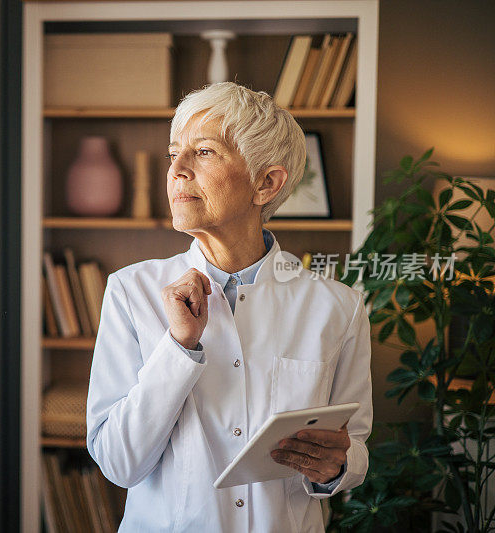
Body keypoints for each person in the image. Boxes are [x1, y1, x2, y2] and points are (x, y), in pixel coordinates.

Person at [86, 82, 372, 532]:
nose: (177, 170)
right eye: (173, 153)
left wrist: (338, 466)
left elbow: (353, 450)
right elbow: (118, 463)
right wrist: (178, 348)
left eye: (203, 152)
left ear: (266, 183)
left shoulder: (340, 308)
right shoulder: (130, 291)